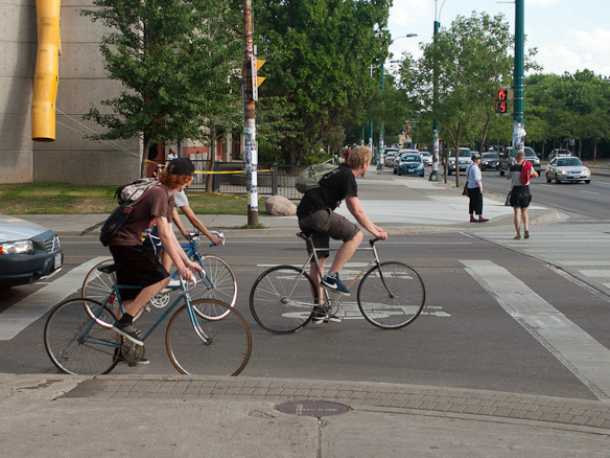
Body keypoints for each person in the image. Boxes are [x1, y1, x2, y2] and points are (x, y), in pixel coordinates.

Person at [107, 158, 203, 361]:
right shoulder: (159, 194)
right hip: (124, 243)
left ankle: (121, 350)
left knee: (131, 301)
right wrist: (179, 266)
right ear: (185, 178)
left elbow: (169, 233)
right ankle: (125, 322)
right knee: (162, 279)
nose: (191, 181)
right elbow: (165, 235)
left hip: (130, 243)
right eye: (191, 177)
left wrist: (186, 261)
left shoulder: (167, 196)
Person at [297, 145, 388, 323]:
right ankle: (333, 276)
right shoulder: (347, 176)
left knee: (318, 263)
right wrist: (372, 231)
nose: (368, 166)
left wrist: (375, 227)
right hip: (318, 215)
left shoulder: (340, 171)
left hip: (305, 216)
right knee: (356, 235)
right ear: (364, 163)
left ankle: (319, 309)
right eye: (369, 163)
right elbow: (356, 209)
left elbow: (357, 210)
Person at [509, 150, 539, 239]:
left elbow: (508, 177)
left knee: (517, 212)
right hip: (526, 190)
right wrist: (528, 176)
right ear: (523, 157)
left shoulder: (513, 167)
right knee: (524, 211)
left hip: (516, 190)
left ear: (516, 158)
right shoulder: (528, 166)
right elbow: (536, 174)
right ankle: (526, 229)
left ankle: (518, 234)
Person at [466, 153, 489, 223]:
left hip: (470, 186)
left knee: (472, 202)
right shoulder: (475, 168)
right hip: (476, 187)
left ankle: (471, 216)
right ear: (475, 160)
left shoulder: (469, 166)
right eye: (479, 159)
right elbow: (477, 179)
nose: (480, 160)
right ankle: (480, 216)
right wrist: (481, 188)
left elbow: (467, 175)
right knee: (479, 202)